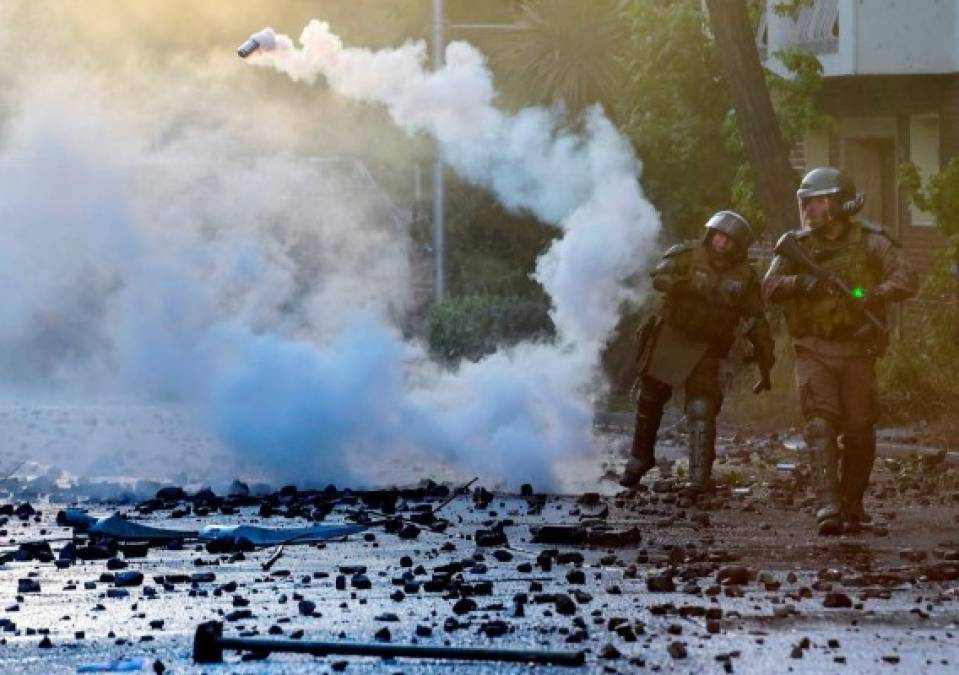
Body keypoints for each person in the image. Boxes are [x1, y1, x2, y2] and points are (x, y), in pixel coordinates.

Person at [763, 166, 917, 535]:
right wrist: (804, 283)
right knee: (819, 424)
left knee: (861, 432)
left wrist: (869, 294)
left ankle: (852, 503)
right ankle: (827, 504)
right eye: (807, 203)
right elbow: (767, 287)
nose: (811, 210)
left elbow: (907, 278)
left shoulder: (871, 241)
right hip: (814, 347)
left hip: (858, 348)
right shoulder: (797, 246)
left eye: (819, 202)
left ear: (839, 203)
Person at [621, 210, 774, 494]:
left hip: (708, 347)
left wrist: (766, 357)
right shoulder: (687, 255)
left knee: (701, 407)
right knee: (650, 397)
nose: (722, 243)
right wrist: (683, 285)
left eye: (729, 241)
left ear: (738, 247)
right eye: (719, 236)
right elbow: (660, 276)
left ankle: (699, 476)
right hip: (673, 335)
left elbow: (756, 318)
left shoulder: (745, 277)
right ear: (710, 234)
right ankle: (640, 458)